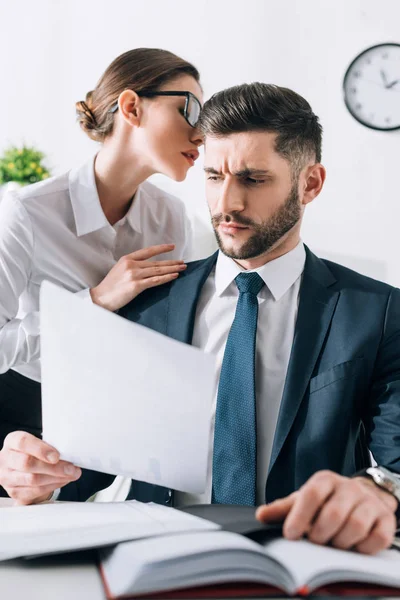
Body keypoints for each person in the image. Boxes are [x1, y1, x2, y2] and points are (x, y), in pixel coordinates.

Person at [1, 83, 399, 555]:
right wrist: (38, 476)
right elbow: (89, 461)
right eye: (213, 176)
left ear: (309, 183)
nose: (226, 204)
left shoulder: (379, 312)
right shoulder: (148, 302)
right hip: (158, 561)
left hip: (305, 560)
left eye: (253, 179)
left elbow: (396, 464)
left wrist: (379, 491)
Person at [0, 48, 203, 471]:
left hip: (114, 424)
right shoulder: (28, 212)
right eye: (191, 109)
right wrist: (94, 301)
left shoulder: (172, 218)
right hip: (15, 426)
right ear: (131, 107)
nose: (202, 133)